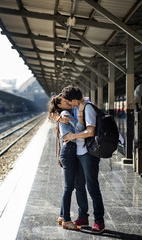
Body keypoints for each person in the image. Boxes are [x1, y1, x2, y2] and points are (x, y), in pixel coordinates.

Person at [61, 85, 105, 234]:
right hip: (79, 153)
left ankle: (99, 220)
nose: (68, 104)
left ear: (74, 99)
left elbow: (90, 131)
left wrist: (73, 136)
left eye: (69, 101)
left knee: (92, 187)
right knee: (79, 186)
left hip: (88, 153)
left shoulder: (88, 108)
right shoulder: (76, 108)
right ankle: (83, 217)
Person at [48, 94, 85, 231]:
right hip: (69, 150)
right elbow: (79, 128)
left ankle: (62, 216)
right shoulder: (64, 113)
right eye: (65, 101)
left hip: (69, 150)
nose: (68, 102)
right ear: (59, 105)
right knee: (68, 187)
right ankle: (67, 221)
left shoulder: (63, 113)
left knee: (68, 186)